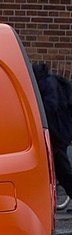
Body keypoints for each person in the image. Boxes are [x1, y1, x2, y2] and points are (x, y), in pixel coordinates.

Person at [33, 63, 72, 211]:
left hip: (56, 135)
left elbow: (50, 106)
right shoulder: (47, 81)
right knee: (58, 170)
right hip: (57, 133)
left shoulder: (45, 84)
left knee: (63, 171)